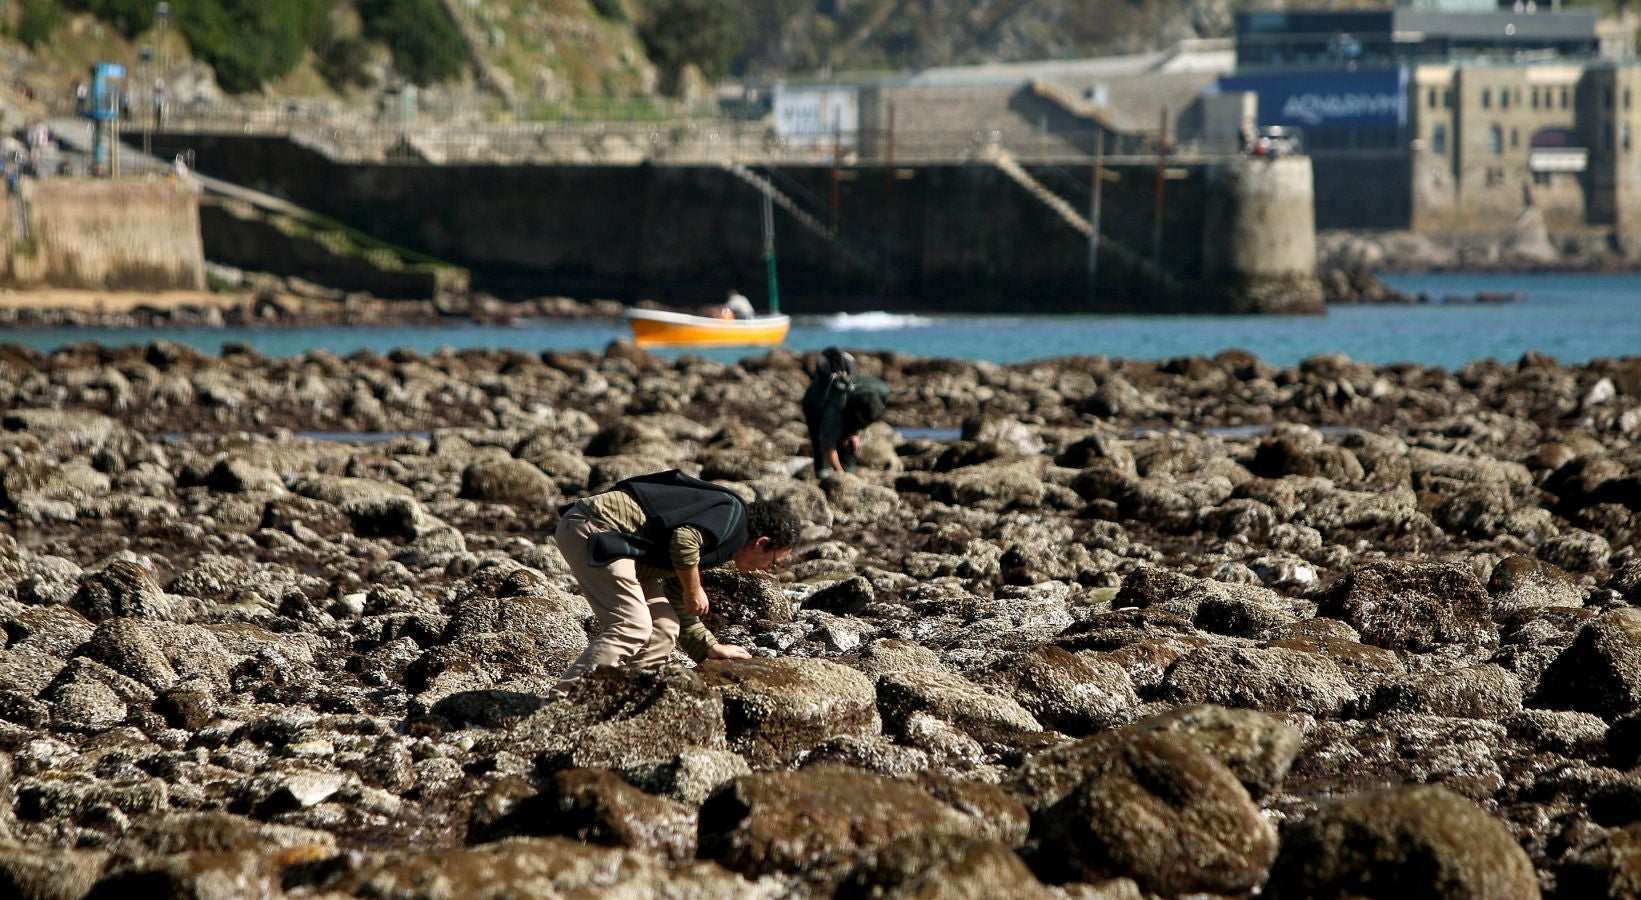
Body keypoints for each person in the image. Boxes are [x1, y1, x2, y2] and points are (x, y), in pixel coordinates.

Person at [553, 469, 800, 692]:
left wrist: (708, 647)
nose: (768, 570)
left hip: (626, 548)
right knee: (632, 625)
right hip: (597, 528)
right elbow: (683, 542)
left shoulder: (722, 539)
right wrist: (695, 589)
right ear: (761, 543)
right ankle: (563, 702)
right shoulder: (732, 516)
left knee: (664, 627)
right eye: (773, 562)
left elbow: (678, 584)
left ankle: (625, 697)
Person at [801, 347, 890, 480]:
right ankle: (822, 475)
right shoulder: (836, 406)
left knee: (849, 441)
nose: (866, 424)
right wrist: (842, 478)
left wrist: (855, 432)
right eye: (864, 421)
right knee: (821, 443)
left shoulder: (882, 391)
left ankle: (849, 468)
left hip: (849, 403)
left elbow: (863, 419)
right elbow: (828, 445)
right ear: (858, 412)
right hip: (814, 404)